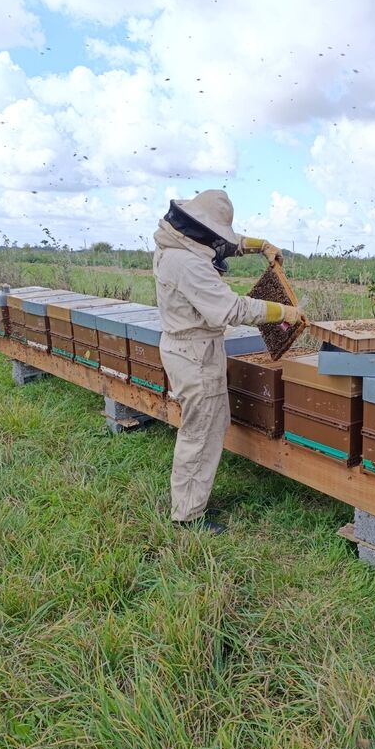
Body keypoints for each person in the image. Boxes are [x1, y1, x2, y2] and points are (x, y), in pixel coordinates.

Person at [153, 189, 305, 532]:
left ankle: (189, 500)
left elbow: (222, 244)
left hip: (188, 348)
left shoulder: (175, 242)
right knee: (200, 431)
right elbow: (232, 309)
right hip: (195, 355)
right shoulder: (188, 264)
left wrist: (260, 245)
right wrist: (284, 312)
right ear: (201, 228)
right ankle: (187, 515)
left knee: (210, 422)